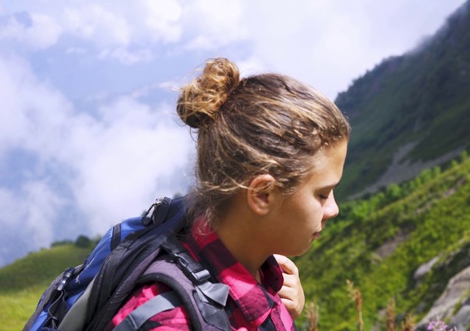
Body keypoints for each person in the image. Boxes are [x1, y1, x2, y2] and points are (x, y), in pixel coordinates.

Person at [109, 58, 350, 330]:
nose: (333, 209)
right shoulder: (171, 323)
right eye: (322, 194)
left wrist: (278, 314)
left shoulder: (263, 276)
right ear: (262, 195)